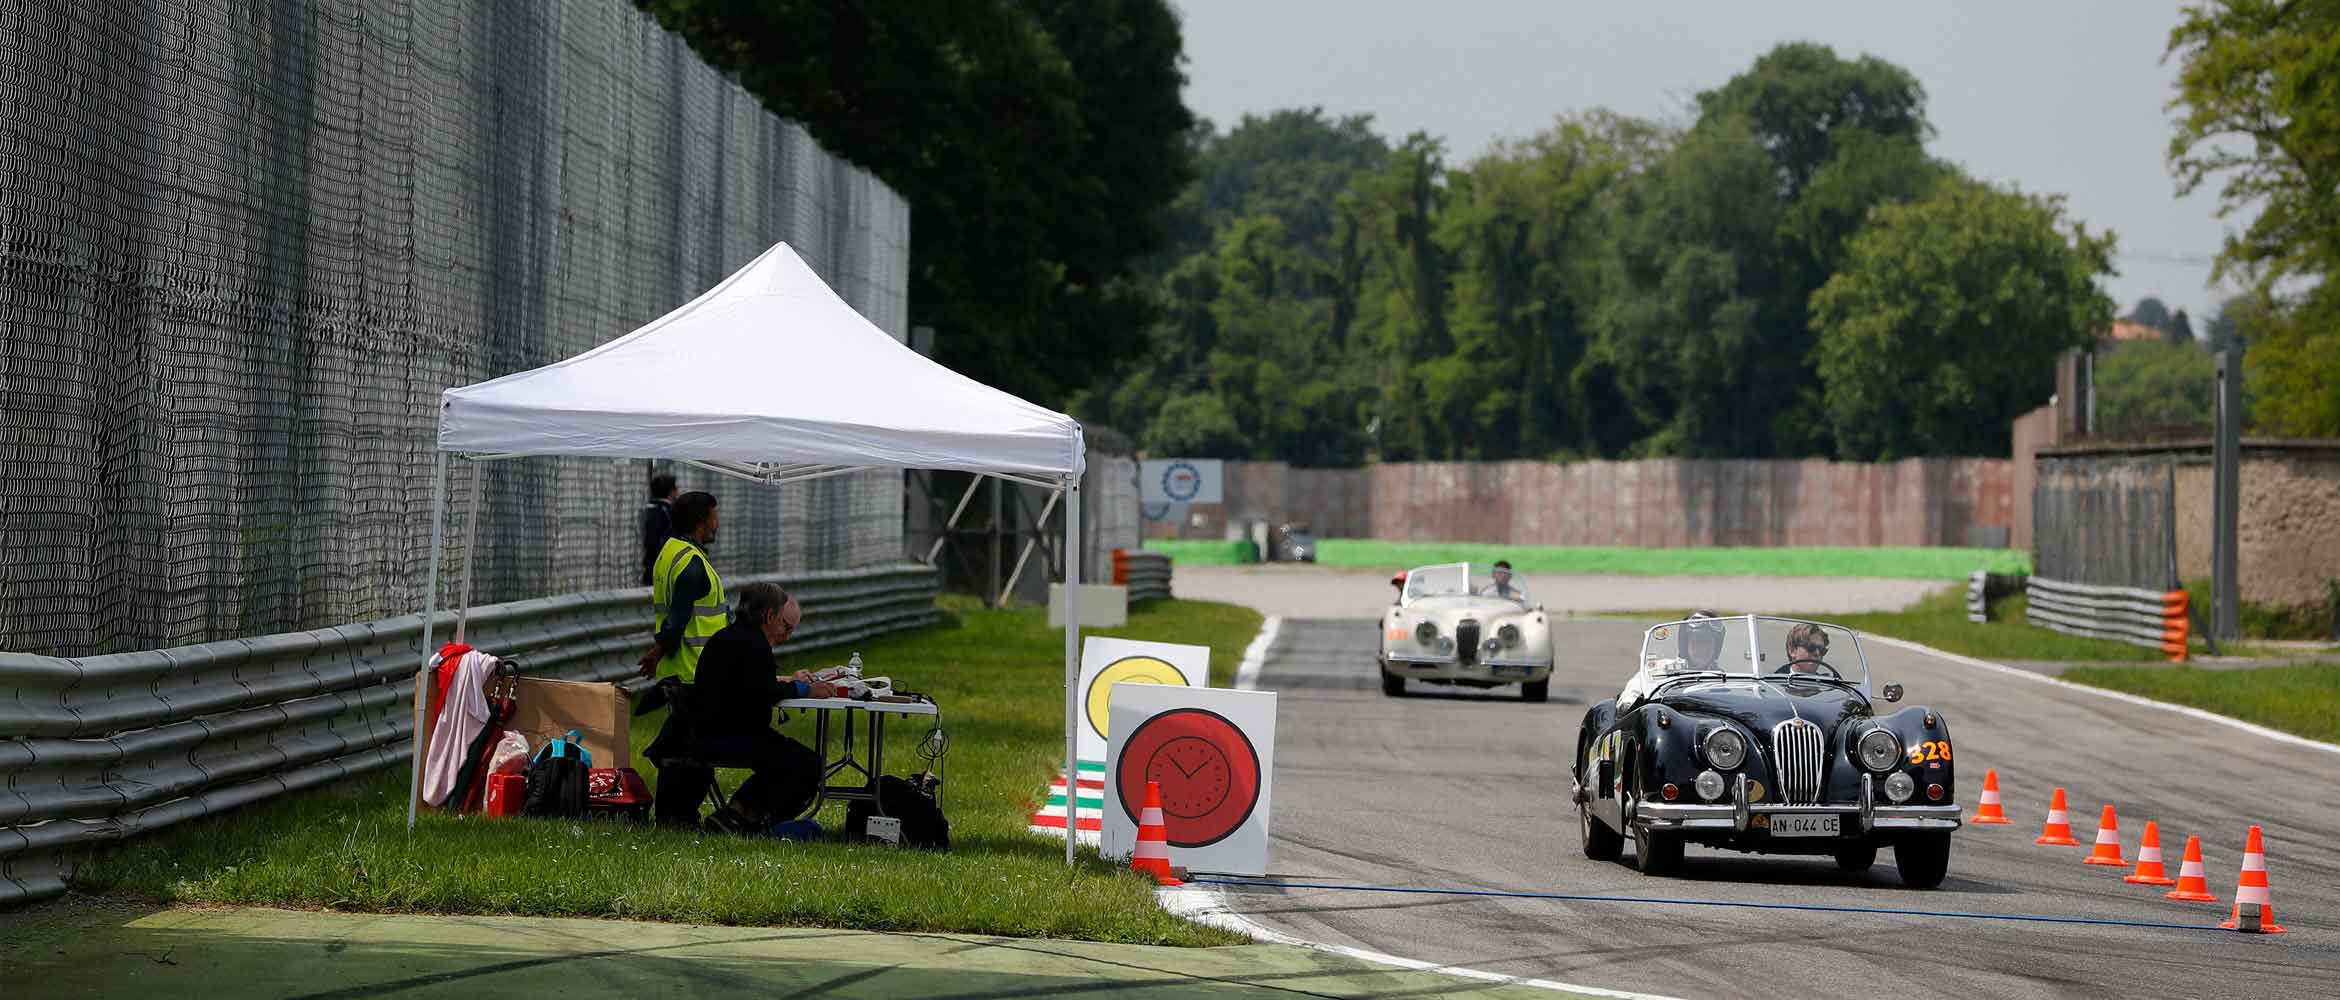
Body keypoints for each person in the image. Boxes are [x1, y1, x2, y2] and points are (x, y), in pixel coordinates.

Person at [646, 583, 834, 832]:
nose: (785, 634)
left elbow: (744, 683)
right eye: (783, 625)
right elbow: (762, 693)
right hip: (730, 735)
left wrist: (787, 681)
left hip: (699, 732)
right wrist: (806, 689)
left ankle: (738, 812)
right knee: (806, 763)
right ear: (769, 616)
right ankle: (741, 815)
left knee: (789, 755)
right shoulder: (754, 644)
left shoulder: (726, 637)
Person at [639, 491, 726, 682]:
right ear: (700, 522)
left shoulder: (669, 552)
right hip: (696, 672)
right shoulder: (691, 562)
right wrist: (657, 652)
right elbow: (678, 617)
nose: (717, 525)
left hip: (677, 671)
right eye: (714, 518)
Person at [639, 473, 677, 587]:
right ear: (672, 491)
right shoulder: (669, 512)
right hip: (664, 569)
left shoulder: (645, 510)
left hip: (649, 567)